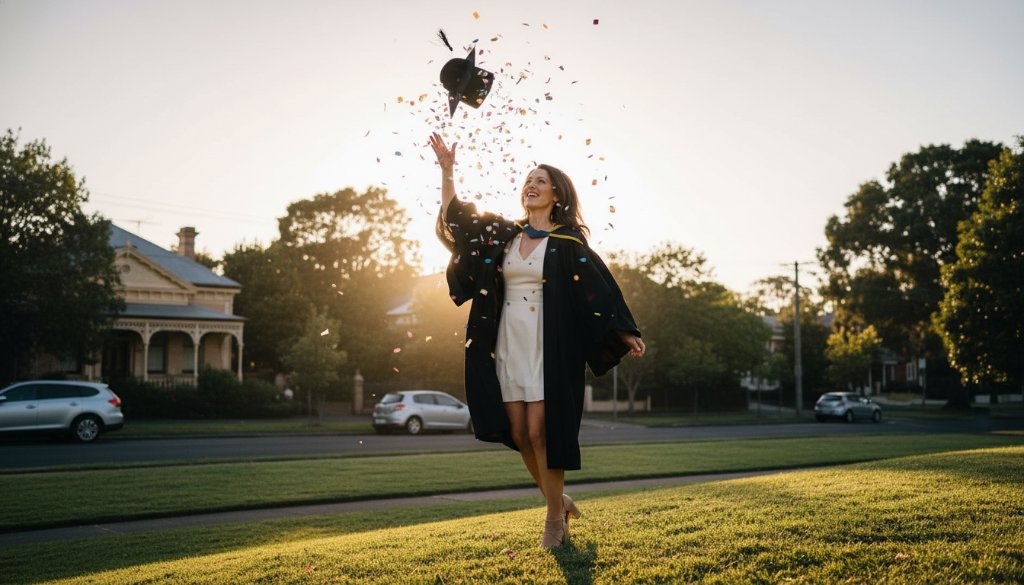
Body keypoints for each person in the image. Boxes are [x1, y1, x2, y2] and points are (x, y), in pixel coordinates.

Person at [430, 132, 645, 548]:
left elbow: (597, 287)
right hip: (508, 341)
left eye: (540, 180)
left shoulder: (567, 242)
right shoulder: (504, 236)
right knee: (518, 431)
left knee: (541, 431)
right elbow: (456, 220)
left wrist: (623, 330)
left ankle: (551, 522)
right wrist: (447, 171)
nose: (531, 184)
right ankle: (558, 500)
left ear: (557, 195)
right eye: (528, 179)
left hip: (550, 344)